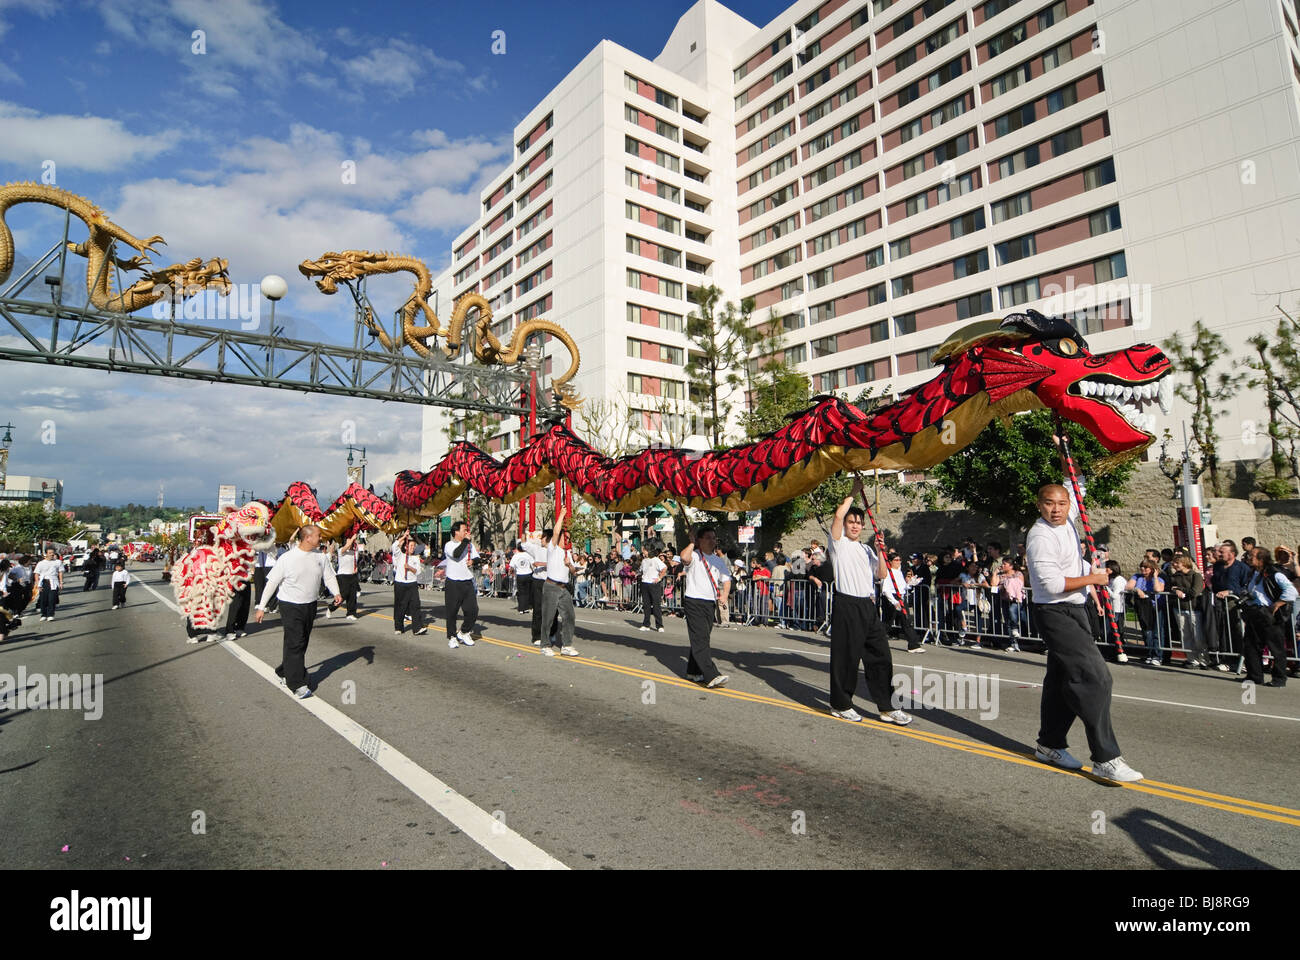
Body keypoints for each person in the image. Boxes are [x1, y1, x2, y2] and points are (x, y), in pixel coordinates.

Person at [1025, 484, 1142, 782]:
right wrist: (1094, 578)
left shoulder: (1069, 517)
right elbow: (1051, 585)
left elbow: (1078, 486)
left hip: (1076, 609)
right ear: (1039, 505)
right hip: (1054, 612)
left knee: (1061, 680)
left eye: (1061, 503)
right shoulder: (1040, 537)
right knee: (1095, 677)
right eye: (1049, 503)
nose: (1057, 509)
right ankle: (1106, 758)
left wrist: (1063, 447)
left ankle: (1049, 744)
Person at [826, 479, 912, 724]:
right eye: (851, 522)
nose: (854, 525)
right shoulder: (838, 543)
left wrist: (881, 552)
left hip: (867, 606)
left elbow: (881, 574)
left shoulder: (866, 550)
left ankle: (887, 707)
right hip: (846, 604)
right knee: (847, 658)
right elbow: (837, 515)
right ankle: (841, 704)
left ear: (863, 526)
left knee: (881, 656)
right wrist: (854, 491)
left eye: (858, 522)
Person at [254, 525, 343, 699]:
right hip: (290, 604)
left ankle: (283, 670)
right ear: (307, 538)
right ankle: (296, 683)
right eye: (318, 535)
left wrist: (336, 592)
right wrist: (261, 607)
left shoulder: (320, 557)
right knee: (295, 642)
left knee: (302, 641)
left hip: (310, 604)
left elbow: (329, 576)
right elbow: (272, 583)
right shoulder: (287, 558)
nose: (321, 538)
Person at [678, 527, 731, 686]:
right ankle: (711, 674)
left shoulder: (717, 560)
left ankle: (693, 671)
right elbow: (683, 557)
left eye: (714, 538)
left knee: (702, 638)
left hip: (709, 603)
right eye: (708, 538)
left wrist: (724, 595)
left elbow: (727, 579)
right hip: (694, 601)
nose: (712, 541)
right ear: (700, 540)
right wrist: (692, 543)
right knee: (700, 638)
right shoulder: (694, 555)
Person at [1240, 547, 1296, 687]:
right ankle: (1254, 676)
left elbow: (1291, 591)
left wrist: (1278, 603)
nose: (1249, 558)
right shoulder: (1253, 572)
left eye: (1252, 556)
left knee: (1276, 649)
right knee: (1251, 646)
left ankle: (1279, 679)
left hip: (1269, 615)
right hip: (1254, 613)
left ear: (1261, 559)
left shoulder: (1275, 573)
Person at [537, 505, 579, 657]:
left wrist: (569, 565)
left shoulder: (568, 552)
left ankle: (567, 645)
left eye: (567, 537)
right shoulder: (552, 549)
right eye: (564, 536)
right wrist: (561, 514)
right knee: (548, 617)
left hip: (563, 588)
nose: (566, 539)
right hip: (551, 586)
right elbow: (555, 531)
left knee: (569, 616)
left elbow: (574, 572)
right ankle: (545, 644)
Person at [443, 521, 480, 649]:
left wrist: (473, 561)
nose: (466, 532)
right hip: (453, 582)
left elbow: (478, 558)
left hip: (467, 581)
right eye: (464, 530)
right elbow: (456, 554)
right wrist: (465, 542)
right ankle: (452, 637)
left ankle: (464, 632)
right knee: (452, 611)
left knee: (473, 610)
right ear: (456, 532)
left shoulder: (469, 545)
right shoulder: (449, 545)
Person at [880, 552, 924, 654]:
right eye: (896, 560)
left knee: (906, 621)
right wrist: (894, 602)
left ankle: (913, 645)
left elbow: (902, 587)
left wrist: (911, 583)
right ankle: (875, 641)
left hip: (901, 598)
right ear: (890, 561)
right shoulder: (888, 572)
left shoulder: (900, 572)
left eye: (900, 560)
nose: (898, 562)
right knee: (887, 622)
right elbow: (885, 589)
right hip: (891, 598)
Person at [391, 532, 428, 636]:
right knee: (400, 606)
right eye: (411, 545)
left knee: (415, 605)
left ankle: (417, 628)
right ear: (406, 546)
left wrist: (410, 568)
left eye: (414, 546)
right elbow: (394, 546)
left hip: (412, 584)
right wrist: (404, 536)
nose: (413, 547)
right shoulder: (400, 555)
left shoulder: (415, 558)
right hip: (400, 583)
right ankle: (398, 627)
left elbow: (418, 572)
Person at [638, 545, 666, 632]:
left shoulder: (656, 560)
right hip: (645, 583)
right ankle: (646, 624)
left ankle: (659, 625)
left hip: (654, 584)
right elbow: (641, 570)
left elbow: (664, 568)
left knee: (656, 605)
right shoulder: (644, 560)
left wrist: (659, 578)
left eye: (644, 550)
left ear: (648, 551)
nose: (643, 552)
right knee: (646, 605)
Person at [34, 548, 64, 622]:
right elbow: (36, 574)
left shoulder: (58, 562)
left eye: (53, 553)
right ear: (46, 554)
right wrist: (38, 584)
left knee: (52, 599)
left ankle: (50, 614)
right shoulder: (41, 563)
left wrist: (61, 582)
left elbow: (60, 572)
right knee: (43, 600)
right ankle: (43, 614)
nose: (52, 554)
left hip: (53, 582)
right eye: (50, 553)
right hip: (44, 582)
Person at [335, 533, 361, 620]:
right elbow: (347, 546)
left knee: (352, 596)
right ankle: (331, 607)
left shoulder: (354, 552)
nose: (350, 542)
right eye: (348, 540)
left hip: (352, 575)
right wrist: (352, 538)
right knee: (343, 594)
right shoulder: (341, 550)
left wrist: (356, 568)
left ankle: (351, 613)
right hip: (342, 576)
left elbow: (355, 562)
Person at [510, 542, 534, 612]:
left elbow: (511, 566)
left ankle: (521, 608)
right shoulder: (528, 555)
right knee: (527, 591)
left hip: (520, 575)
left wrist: (511, 572)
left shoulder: (515, 556)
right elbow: (532, 564)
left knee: (521, 592)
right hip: (528, 573)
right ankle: (527, 607)